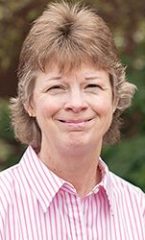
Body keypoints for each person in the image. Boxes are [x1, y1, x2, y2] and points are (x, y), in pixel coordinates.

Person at [0, 1, 144, 239]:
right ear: (29, 102)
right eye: (57, 87)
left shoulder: (138, 210)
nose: (76, 103)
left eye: (92, 86)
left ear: (115, 97)